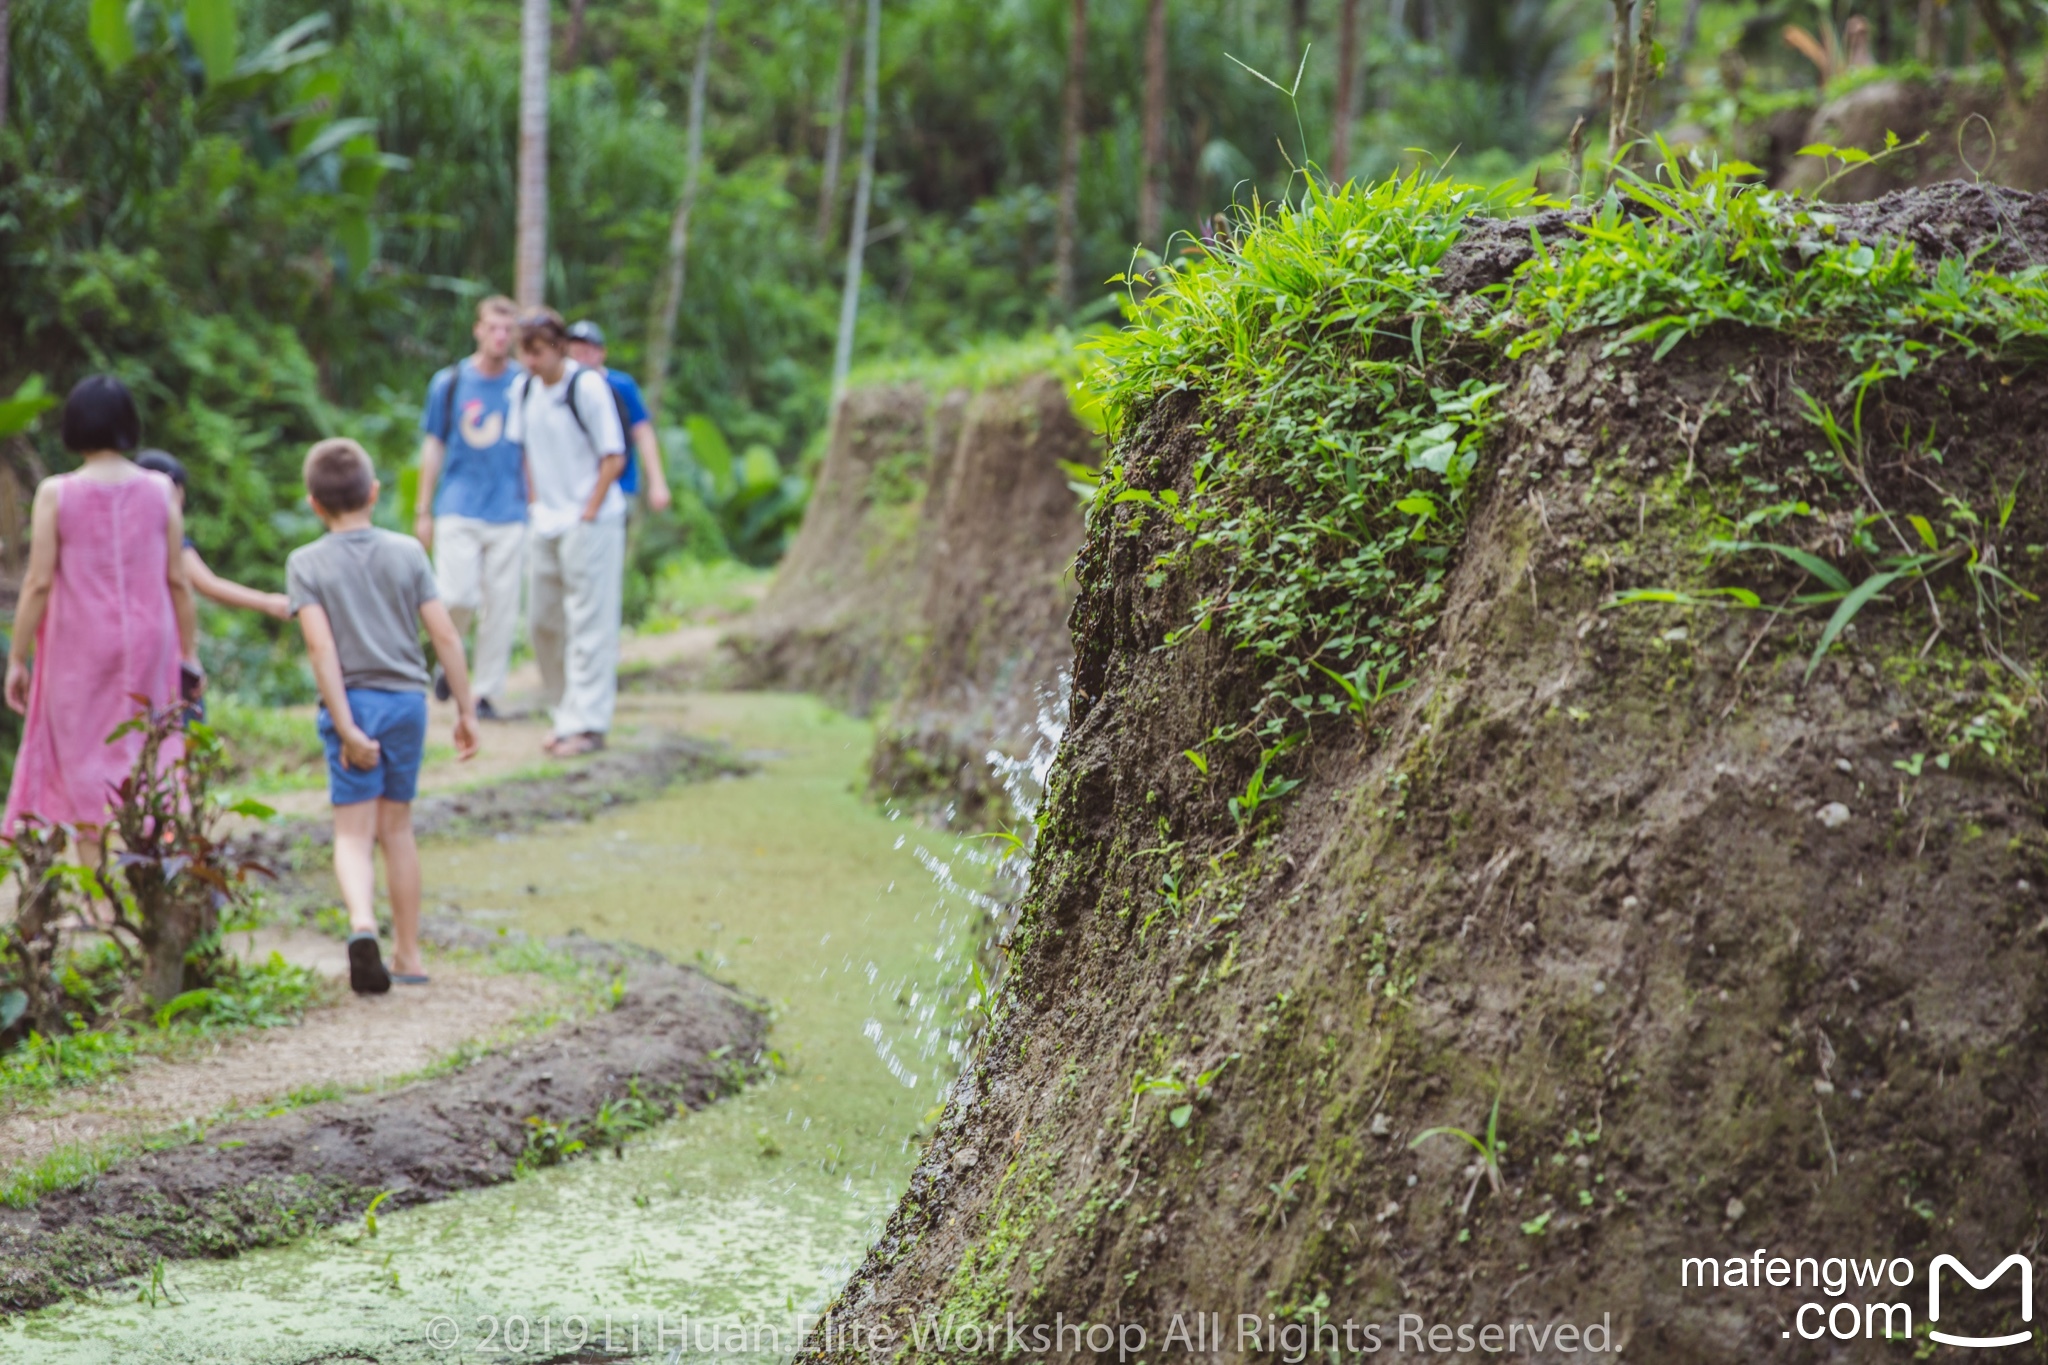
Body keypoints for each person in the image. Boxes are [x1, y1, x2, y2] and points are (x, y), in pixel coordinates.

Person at [287, 438, 478, 994]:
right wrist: (465, 709)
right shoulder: (408, 553)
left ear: (313, 504)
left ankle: (362, 924)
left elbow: (322, 652)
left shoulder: (306, 563)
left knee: (352, 832)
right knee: (397, 828)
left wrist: (345, 726)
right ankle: (410, 954)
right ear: (373, 493)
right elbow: (443, 633)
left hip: (354, 703)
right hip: (406, 704)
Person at [4, 377, 201, 841]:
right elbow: (177, 579)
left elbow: (37, 583)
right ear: (129, 425)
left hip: (78, 645)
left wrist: (16, 658)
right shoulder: (159, 490)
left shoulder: (57, 493)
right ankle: (154, 862)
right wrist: (189, 654)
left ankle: (94, 891)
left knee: (82, 755)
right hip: (151, 640)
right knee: (149, 746)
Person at [508, 309, 627, 758]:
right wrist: (538, 505)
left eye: (537, 351)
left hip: (590, 519)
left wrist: (588, 512)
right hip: (548, 520)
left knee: (590, 622)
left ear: (558, 348)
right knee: (542, 621)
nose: (530, 361)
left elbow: (613, 456)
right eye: (525, 352)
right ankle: (564, 712)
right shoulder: (522, 390)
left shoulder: (587, 387)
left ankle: (589, 721)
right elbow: (525, 453)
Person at [415, 296, 527, 720]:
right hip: (459, 505)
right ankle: (449, 660)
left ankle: (484, 693)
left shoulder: (523, 384)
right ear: (477, 330)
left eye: (507, 329)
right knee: (456, 595)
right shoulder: (450, 382)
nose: (500, 336)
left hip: (510, 507)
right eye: (493, 327)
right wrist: (423, 510)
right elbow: (433, 445)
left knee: (501, 606)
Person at [134, 450, 290, 620]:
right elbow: (209, 585)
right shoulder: (168, 537)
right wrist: (268, 602)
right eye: (179, 489)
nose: (183, 498)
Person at [565, 320, 674, 514]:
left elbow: (643, 432)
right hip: (574, 488)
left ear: (601, 353)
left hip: (618, 485)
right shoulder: (560, 388)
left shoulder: (620, 385)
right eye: (576, 352)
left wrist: (658, 483)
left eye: (587, 352)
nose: (581, 359)